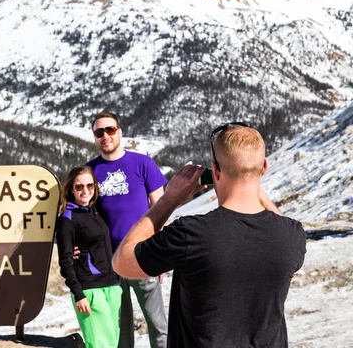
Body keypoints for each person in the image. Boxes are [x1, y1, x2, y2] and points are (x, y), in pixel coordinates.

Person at [113, 122, 307, 348]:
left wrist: (169, 199)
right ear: (264, 168)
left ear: (215, 171)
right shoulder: (291, 236)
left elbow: (122, 262)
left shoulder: (190, 234)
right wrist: (251, 180)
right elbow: (279, 223)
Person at [87, 111, 168, 348]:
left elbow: (161, 208)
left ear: (119, 132)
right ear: (95, 137)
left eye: (110, 130)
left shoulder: (142, 163)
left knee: (157, 324)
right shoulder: (90, 171)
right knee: (119, 327)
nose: (105, 136)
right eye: (99, 132)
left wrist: (161, 253)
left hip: (142, 255)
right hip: (109, 262)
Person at [56, 165, 122, 348]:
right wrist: (79, 294)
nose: (85, 191)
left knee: (112, 341)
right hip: (90, 290)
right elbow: (65, 261)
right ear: (70, 188)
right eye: (79, 187)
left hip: (111, 285)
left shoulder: (94, 211)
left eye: (90, 186)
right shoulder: (67, 219)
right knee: (100, 344)